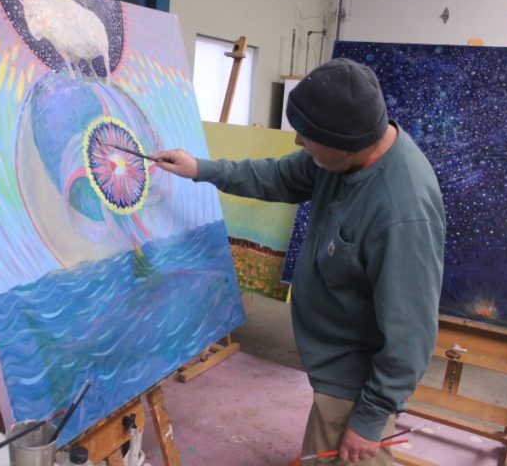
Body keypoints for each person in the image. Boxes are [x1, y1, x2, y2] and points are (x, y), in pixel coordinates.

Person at [151, 58, 446, 465]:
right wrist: (201, 169)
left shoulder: (402, 210)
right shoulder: (344, 154)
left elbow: (411, 336)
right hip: (331, 365)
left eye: (305, 136)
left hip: (355, 383)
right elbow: (277, 177)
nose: (297, 143)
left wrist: (370, 419)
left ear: (343, 143)